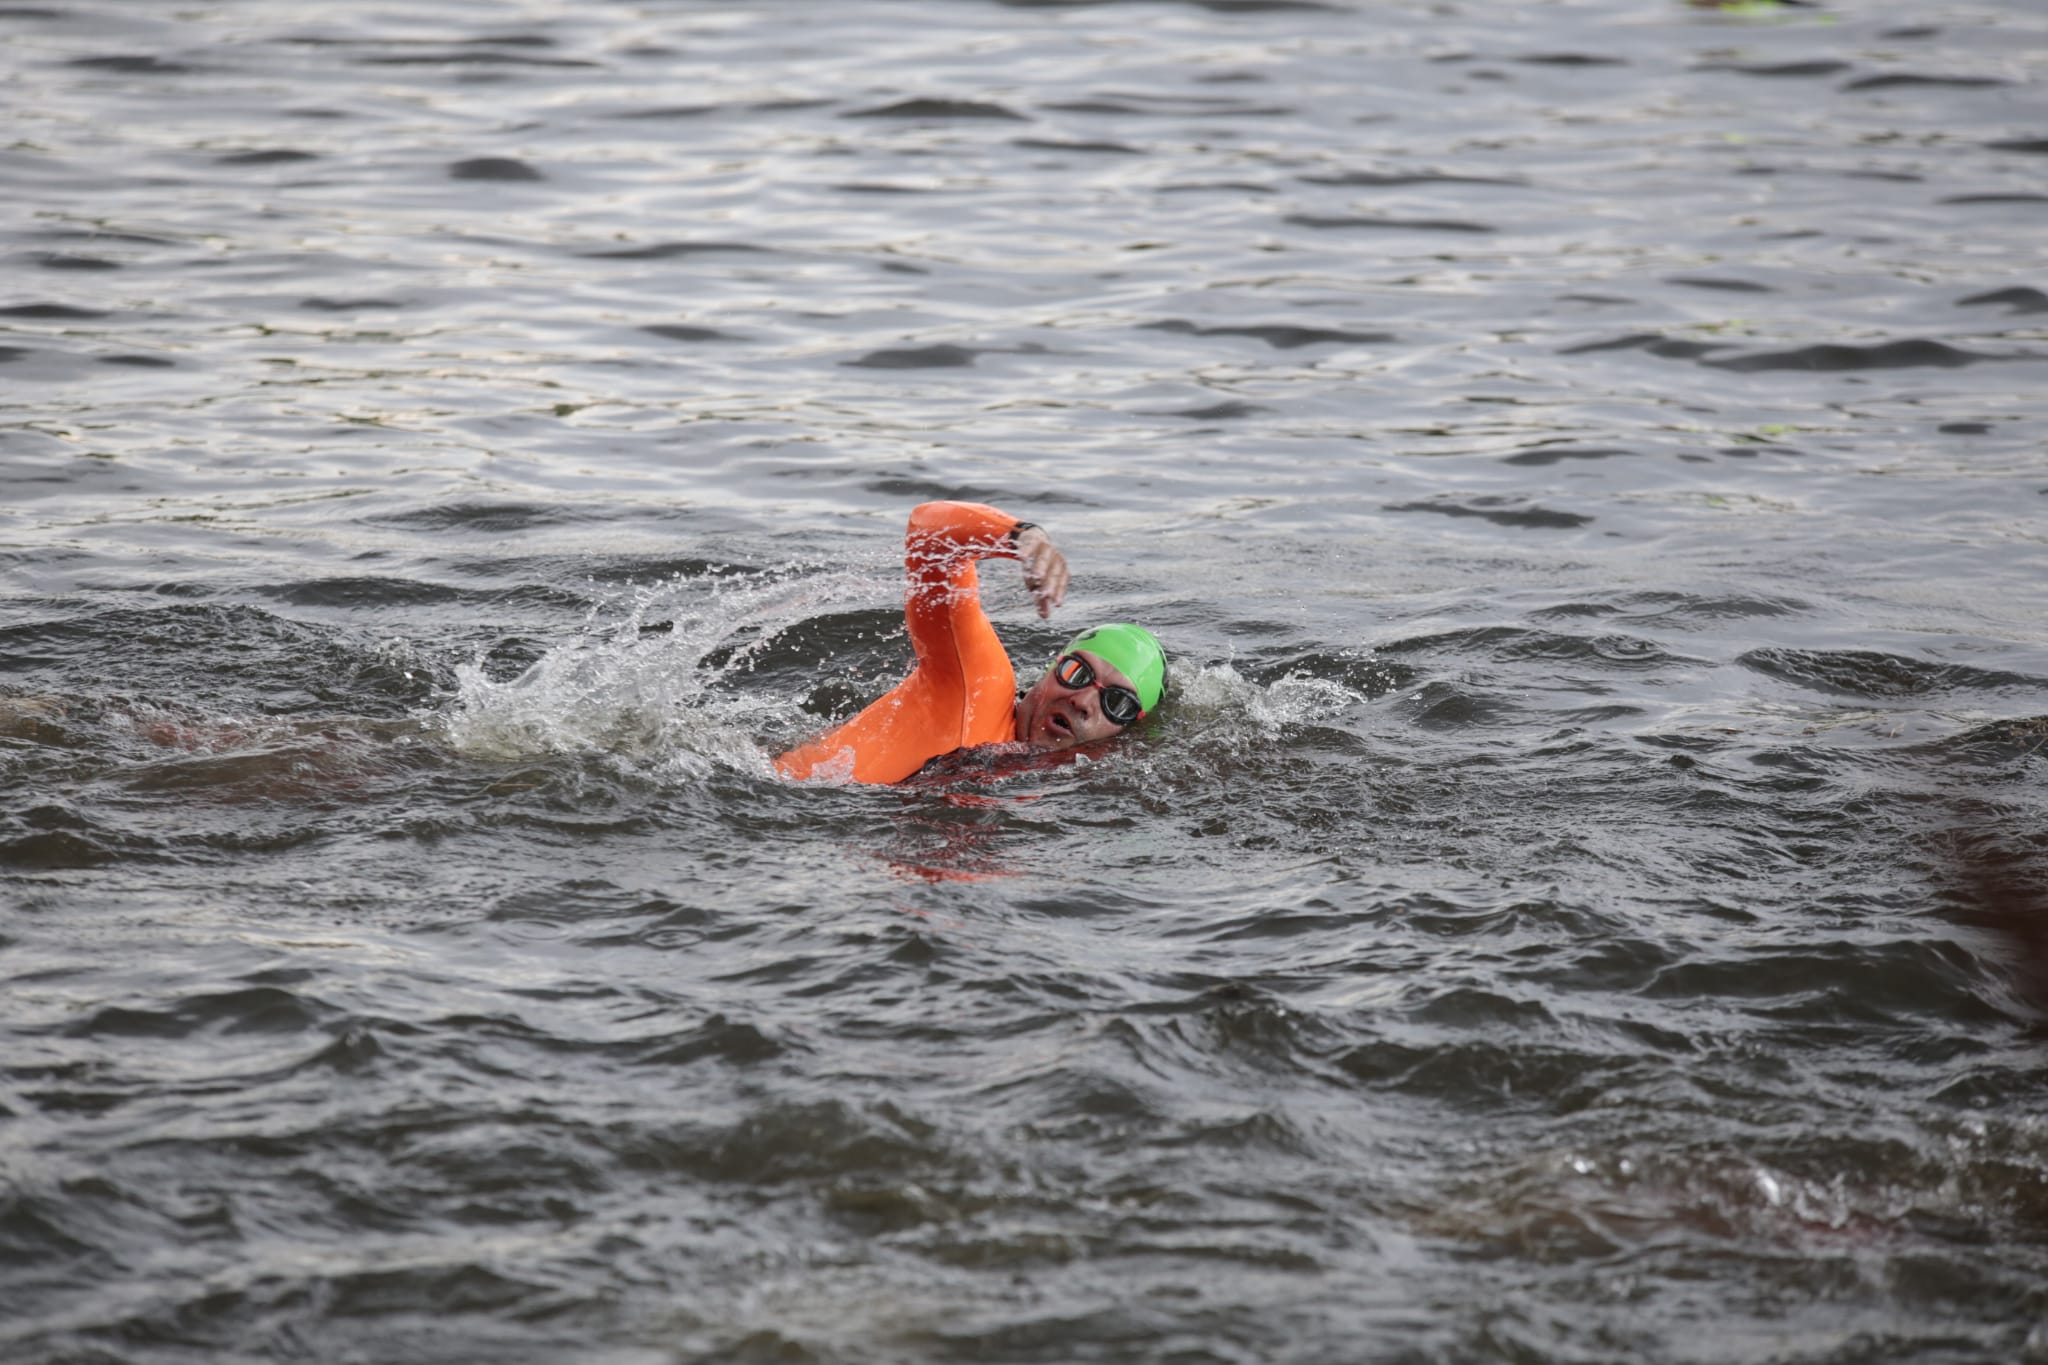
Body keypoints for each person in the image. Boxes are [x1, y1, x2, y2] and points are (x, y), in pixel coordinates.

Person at [775, 501, 1167, 784]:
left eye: (1116, 702)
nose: (1083, 701)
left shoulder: (1057, 790)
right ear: (1052, 667)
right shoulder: (976, 686)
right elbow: (928, 534)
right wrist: (1023, 537)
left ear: (1128, 731)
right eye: (1077, 672)